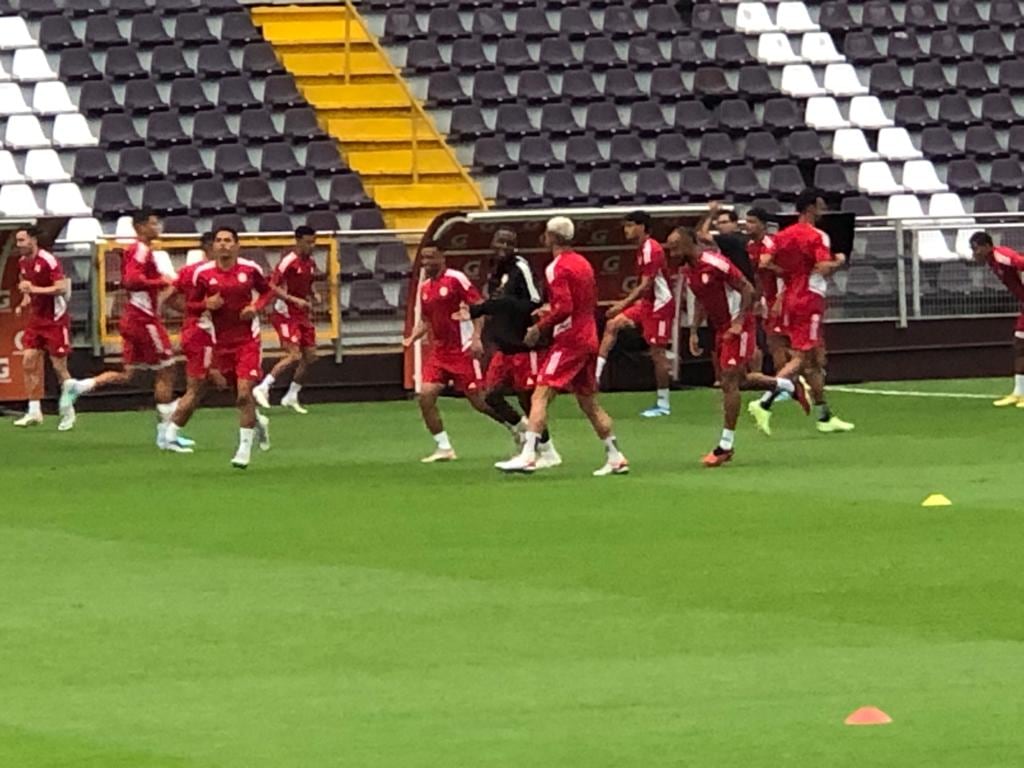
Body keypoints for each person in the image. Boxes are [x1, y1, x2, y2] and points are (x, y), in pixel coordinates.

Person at [497, 216, 630, 476]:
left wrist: (539, 326)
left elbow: (564, 307)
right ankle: (615, 456)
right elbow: (582, 301)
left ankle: (529, 454)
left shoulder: (556, 267)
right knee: (588, 402)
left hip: (570, 339)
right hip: (589, 334)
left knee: (540, 394)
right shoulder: (583, 263)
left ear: (552, 237)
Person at [668, 227, 807, 467]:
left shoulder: (715, 263)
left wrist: (740, 321)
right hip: (721, 327)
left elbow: (748, 289)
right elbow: (702, 299)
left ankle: (725, 446)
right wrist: (694, 330)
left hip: (738, 325)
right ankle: (787, 385)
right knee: (741, 379)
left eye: (675, 246)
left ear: (690, 243)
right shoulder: (688, 270)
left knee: (729, 381)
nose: (672, 252)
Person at [59, 209, 187, 449]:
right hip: (143, 320)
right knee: (167, 370)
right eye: (152, 223)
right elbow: (130, 280)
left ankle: (80, 385)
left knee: (130, 374)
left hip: (133, 318)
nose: (157, 227)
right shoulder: (140, 250)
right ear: (140, 227)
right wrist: (161, 282)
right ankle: (166, 434)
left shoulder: (139, 251)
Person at [748, 190, 854, 435]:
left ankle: (824, 416)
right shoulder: (817, 235)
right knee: (803, 357)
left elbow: (765, 263)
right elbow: (822, 267)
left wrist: (787, 274)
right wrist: (839, 260)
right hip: (810, 297)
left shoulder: (782, 236)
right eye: (821, 206)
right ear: (811, 208)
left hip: (790, 296)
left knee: (815, 361)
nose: (823, 210)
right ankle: (764, 401)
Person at [403, 245, 520, 463]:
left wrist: (476, 337)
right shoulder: (425, 288)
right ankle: (444, 447)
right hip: (439, 352)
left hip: (462, 349)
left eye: (431, 257)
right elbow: (426, 321)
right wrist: (412, 338)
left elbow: (477, 307)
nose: (426, 262)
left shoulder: (456, 279)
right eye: (424, 258)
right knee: (426, 397)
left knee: (480, 402)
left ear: (442, 257)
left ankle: (516, 428)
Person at [172, 227, 271, 468]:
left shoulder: (249, 270)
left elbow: (268, 291)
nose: (224, 245)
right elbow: (190, 305)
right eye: (219, 241)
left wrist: (256, 307)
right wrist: (205, 303)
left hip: (248, 339)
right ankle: (258, 421)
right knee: (234, 393)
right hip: (221, 342)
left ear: (237, 245)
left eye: (228, 240)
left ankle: (244, 450)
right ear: (213, 246)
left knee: (245, 391)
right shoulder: (203, 275)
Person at [468, 228, 561, 467]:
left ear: (514, 247)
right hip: (503, 345)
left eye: (507, 243)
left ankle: (548, 451)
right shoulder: (495, 270)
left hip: (523, 345)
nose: (502, 247)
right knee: (490, 396)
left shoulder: (521, 268)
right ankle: (523, 430)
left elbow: (533, 303)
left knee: (528, 399)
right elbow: (495, 302)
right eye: (498, 242)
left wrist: (503, 304)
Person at [597, 210, 676, 417]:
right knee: (612, 325)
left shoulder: (651, 248)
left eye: (630, 225)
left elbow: (646, 284)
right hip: (647, 303)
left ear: (642, 227)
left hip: (660, 305)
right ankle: (595, 377)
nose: (627, 230)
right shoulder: (641, 249)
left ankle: (663, 403)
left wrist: (622, 304)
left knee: (657, 353)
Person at [253, 225, 321, 414]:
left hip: (301, 313)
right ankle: (263, 387)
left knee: (311, 356)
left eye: (313, 242)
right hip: (285, 314)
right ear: (298, 241)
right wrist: (293, 299)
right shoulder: (288, 262)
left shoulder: (310, 262)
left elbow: (309, 284)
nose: (311, 246)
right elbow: (272, 286)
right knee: (294, 355)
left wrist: (314, 294)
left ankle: (291, 395)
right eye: (308, 242)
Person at [12, 226, 75, 431]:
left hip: (55, 320)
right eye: (17, 241)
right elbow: (27, 288)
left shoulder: (48, 260)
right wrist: (24, 301)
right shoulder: (22, 263)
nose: (18, 245)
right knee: (28, 361)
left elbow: (61, 287)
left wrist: (35, 290)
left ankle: (68, 411)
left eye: (22, 240)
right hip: (36, 320)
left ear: (32, 240)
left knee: (59, 368)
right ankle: (34, 411)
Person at [162, 232, 219, 450]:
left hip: (205, 334)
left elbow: (169, 297)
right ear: (209, 247)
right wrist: (200, 308)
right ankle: (169, 432)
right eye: (219, 244)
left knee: (204, 386)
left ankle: (171, 424)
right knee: (196, 388)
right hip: (200, 334)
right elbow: (168, 296)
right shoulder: (196, 272)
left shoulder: (215, 271)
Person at [968, 232, 1024, 407]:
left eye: (975, 249)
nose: (973, 253)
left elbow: (1020, 262)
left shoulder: (1001, 255)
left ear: (986, 247)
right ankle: (1019, 392)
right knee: (1020, 344)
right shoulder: (992, 261)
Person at [746, 207, 791, 375]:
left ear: (763, 225)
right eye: (747, 222)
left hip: (781, 296)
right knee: (773, 341)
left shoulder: (771, 244)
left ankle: (791, 377)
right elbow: (757, 275)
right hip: (767, 297)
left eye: (752, 222)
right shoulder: (750, 246)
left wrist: (780, 299)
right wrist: (758, 299)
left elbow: (787, 273)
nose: (748, 226)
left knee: (777, 341)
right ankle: (792, 376)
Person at [699, 202, 755, 282]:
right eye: (718, 223)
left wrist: (711, 214)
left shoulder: (730, 238)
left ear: (735, 223)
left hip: (740, 281)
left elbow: (702, 235)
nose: (720, 226)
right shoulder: (744, 237)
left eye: (724, 222)